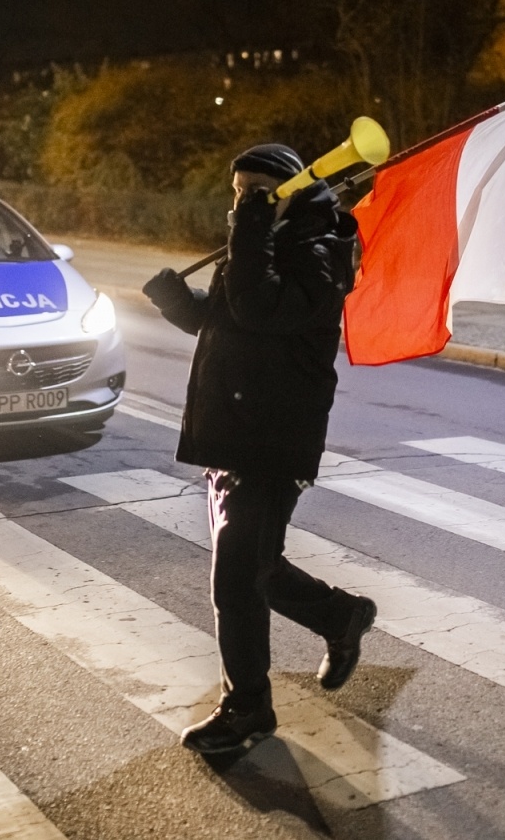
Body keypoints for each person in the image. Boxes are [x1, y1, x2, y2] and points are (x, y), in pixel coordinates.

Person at [142, 144, 377, 756]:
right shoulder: (266, 243)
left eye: (254, 192)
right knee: (253, 569)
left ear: (288, 193)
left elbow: (259, 305)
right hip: (233, 430)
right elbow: (230, 320)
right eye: (237, 191)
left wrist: (252, 228)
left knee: (237, 577)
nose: (240, 203)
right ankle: (338, 617)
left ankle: (246, 707)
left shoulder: (319, 250)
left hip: (272, 438)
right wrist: (179, 304)